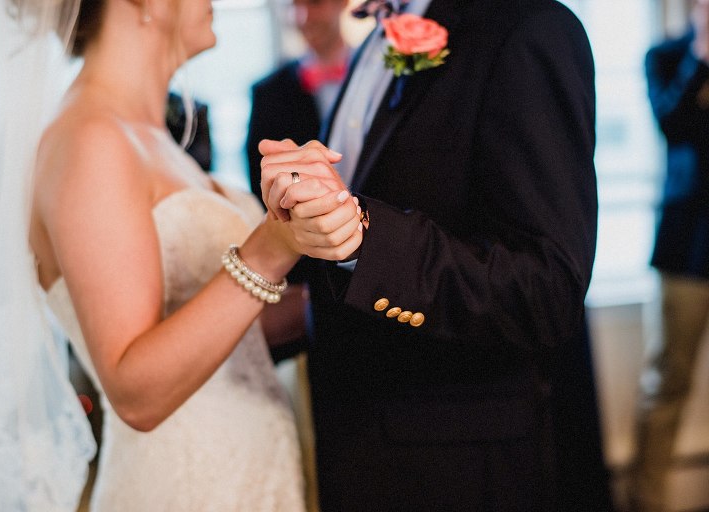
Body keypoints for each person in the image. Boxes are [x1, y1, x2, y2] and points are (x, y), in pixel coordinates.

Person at [0, 0, 361, 510]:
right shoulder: (88, 140)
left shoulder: (149, 137)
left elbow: (233, 333)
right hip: (182, 485)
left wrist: (370, 270)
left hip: (251, 473)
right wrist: (271, 248)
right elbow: (134, 389)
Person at [254, 0, 614, 510]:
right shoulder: (373, 44)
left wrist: (366, 240)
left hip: (458, 466)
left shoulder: (527, 29)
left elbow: (547, 288)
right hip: (354, 447)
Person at [630, 1, 709, 510]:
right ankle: (646, 502)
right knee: (667, 381)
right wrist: (701, 56)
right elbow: (672, 126)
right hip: (688, 244)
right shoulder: (664, 56)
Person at [246, 0, 350, 202]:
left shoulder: (383, 78)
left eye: (315, 3)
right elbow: (260, 184)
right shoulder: (268, 92)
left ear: (343, 3)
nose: (303, 17)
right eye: (295, 6)